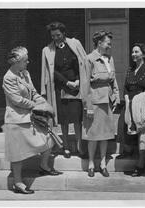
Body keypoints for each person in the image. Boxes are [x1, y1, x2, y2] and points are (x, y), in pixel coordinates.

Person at [3, 46, 62, 195]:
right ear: (16, 62)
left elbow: (33, 92)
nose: (28, 62)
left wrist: (44, 103)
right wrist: (37, 106)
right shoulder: (8, 78)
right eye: (25, 60)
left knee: (49, 138)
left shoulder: (25, 73)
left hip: (29, 116)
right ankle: (18, 182)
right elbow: (17, 100)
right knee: (17, 153)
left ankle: (44, 166)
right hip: (15, 120)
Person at [41, 22, 88, 158]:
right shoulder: (47, 50)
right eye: (53, 36)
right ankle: (66, 147)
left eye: (58, 35)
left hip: (76, 87)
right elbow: (51, 72)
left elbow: (83, 64)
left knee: (77, 118)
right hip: (60, 88)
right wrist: (67, 82)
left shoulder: (75, 44)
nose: (55, 38)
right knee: (64, 119)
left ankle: (80, 147)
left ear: (64, 33)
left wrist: (79, 80)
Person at [83, 30, 120, 177]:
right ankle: (92, 163)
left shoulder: (109, 59)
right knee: (93, 134)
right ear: (99, 43)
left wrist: (116, 96)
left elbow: (113, 80)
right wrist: (88, 106)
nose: (110, 46)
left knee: (105, 134)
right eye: (108, 43)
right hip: (95, 102)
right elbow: (85, 84)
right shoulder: (89, 59)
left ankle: (103, 163)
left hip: (107, 102)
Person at [122, 43, 145, 176]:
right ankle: (129, 152)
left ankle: (141, 164)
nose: (133, 54)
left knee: (142, 132)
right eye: (132, 52)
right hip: (129, 104)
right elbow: (125, 87)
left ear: (144, 54)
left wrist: (138, 99)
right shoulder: (130, 70)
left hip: (142, 105)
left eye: (136, 52)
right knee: (127, 129)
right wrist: (126, 98)